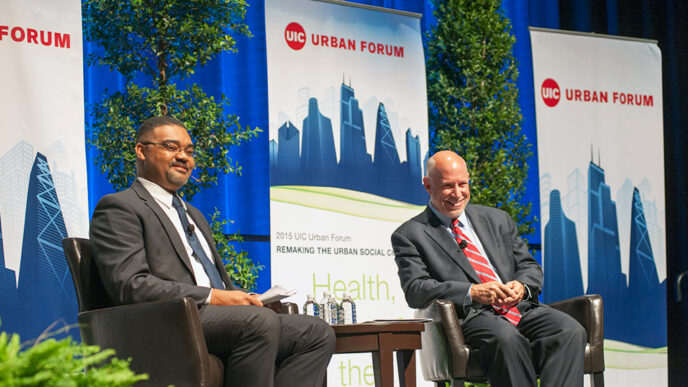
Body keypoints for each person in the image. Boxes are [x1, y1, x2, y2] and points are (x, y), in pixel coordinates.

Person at [90, 116, 335, 387]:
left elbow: (213, 280)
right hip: (168, 320)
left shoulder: (193, 213)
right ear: (141, 151)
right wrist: (214, 297)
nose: (183, 157)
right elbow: (131, 286)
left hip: (211, 318)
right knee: (258, 323)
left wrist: (249, 299)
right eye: (172, 147)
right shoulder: (120, 207)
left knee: (315, 332)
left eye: (190, 151)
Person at [391, 150, 586, 387]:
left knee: (569, 330)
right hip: (473, 317)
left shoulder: (498, 219)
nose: (457, 193)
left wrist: (522, 287)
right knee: (505, 338)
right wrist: (473, 292)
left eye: (462, 184)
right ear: (428, 185)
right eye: (447, 186)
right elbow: (416, 289)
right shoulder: (410, 235)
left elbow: (528, 265)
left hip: (520, 308)